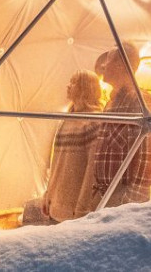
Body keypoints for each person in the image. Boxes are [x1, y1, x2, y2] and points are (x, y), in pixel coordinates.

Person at [88, 43, 151, 210]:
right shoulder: (112, 102)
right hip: (105, 196)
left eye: (109, 60)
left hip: (122, 200)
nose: (103, 65)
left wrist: (131, 203)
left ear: (123, 65)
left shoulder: (140, 101)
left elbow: (147, 155)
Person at [41, 69, 103, 222]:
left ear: (86, 88)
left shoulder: (94, 122)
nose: (68, 86)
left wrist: (83, 208)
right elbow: (56, 163)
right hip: (55, 207)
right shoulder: (66, 120)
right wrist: (48, 194)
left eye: (74, 82)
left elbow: (91, 171)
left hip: (74, 212)